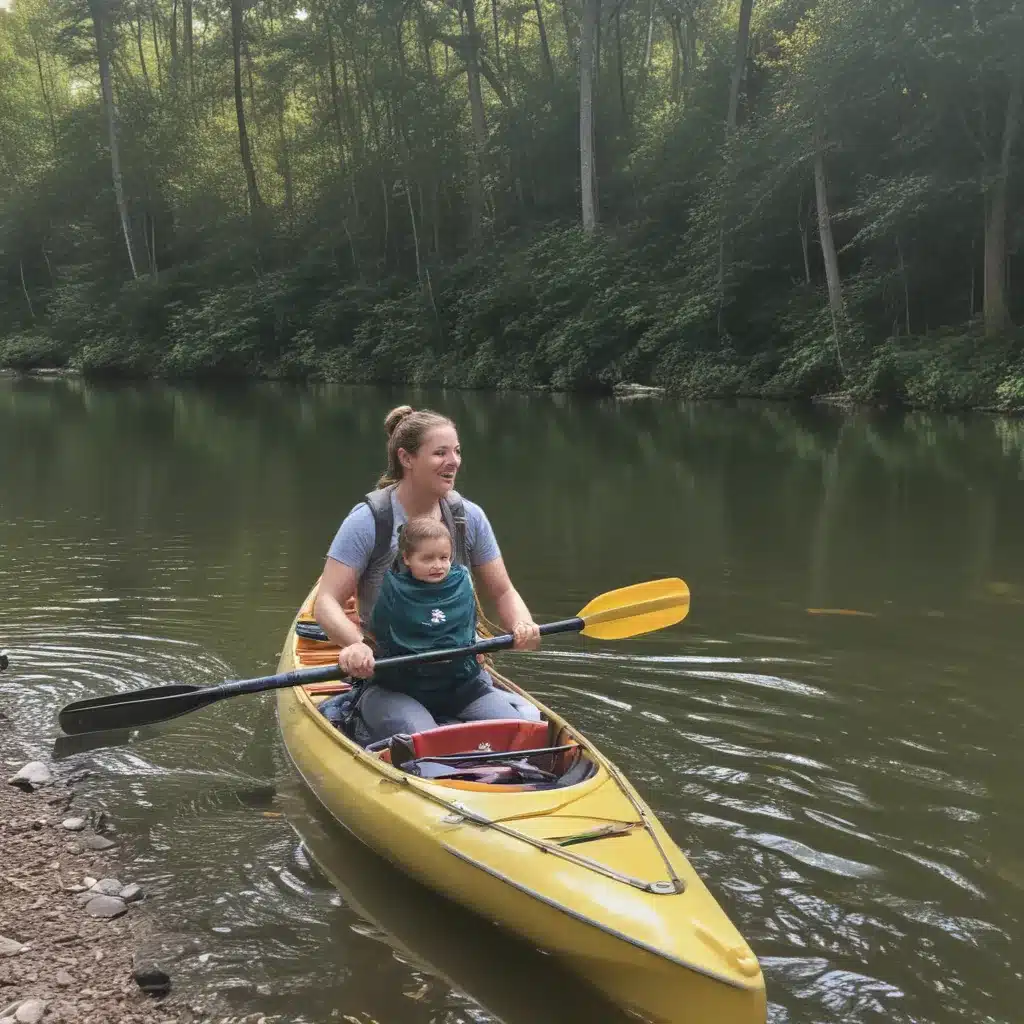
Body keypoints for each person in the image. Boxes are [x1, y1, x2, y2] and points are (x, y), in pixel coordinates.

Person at [314, 405, 542, 741]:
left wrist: (522, 624)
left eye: (457, 451)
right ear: (407, 459)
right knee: (424, 741)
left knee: (523, 732)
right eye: (440, 453)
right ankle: (361, 721)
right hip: (391, 681)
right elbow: (326, 602)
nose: (454, 461)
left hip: (462, 679)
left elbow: (504, 592)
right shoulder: (369, 521)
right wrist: (356, 645)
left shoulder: (468, 518)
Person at [370, 516, 506, 723]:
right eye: (427, 559)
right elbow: (379, 635)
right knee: (422, 739)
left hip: (460, 685)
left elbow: (468, 628)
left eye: (444, 558)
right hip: (405, 689)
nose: (438, 566)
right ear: (406, 558)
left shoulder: (462, 580)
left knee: (512, 724)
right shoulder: (393, 590)